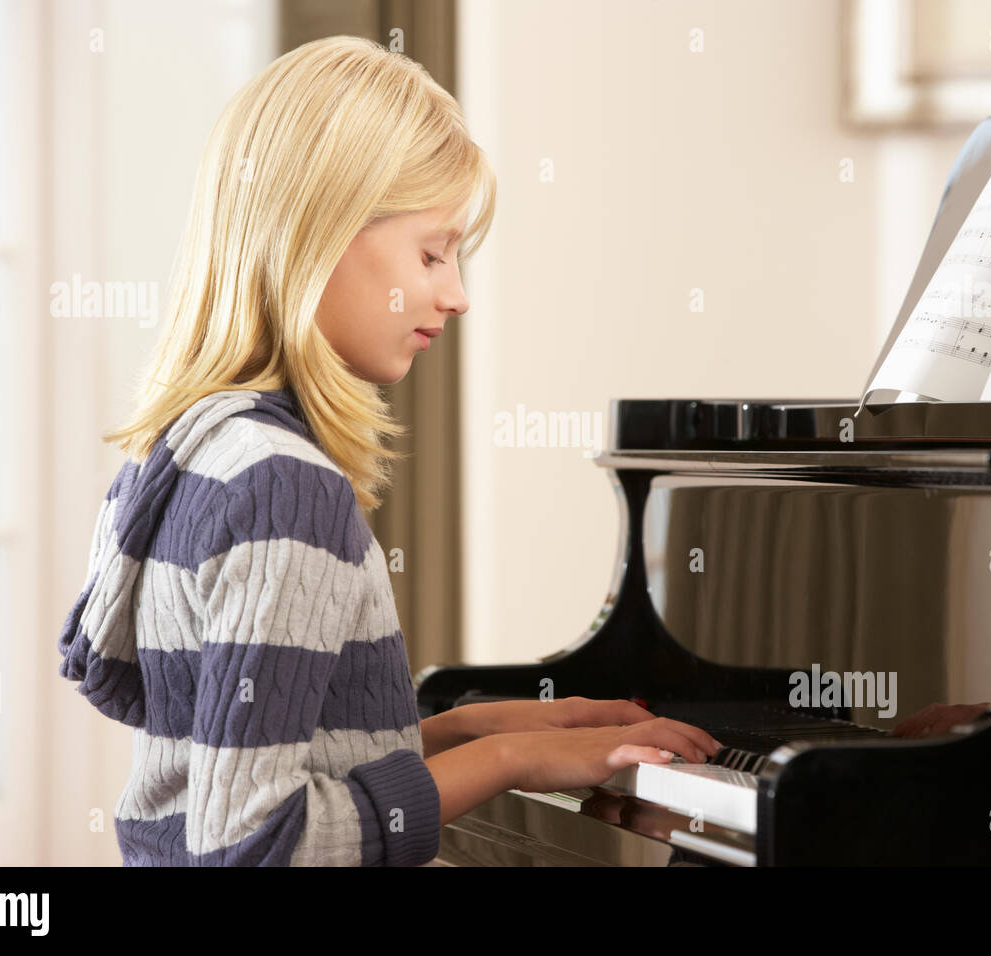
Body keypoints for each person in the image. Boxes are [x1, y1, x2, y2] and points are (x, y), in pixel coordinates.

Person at [56, 35, 720, 867]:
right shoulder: (283, 489)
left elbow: (259, 759)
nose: (457, 294)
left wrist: (474, 726)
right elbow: (256, 846)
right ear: (320, 237)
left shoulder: (192, 451)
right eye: (432, 253)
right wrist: (509, 760)